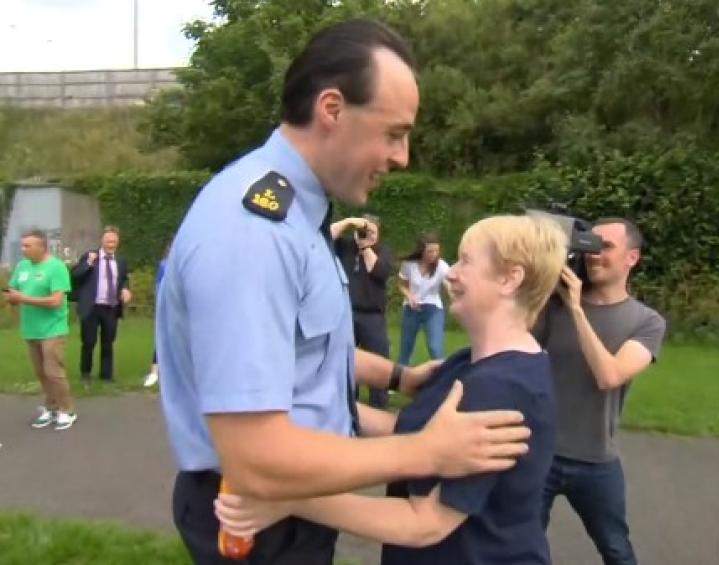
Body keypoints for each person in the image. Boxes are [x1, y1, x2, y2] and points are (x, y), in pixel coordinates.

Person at [156, 19, 530, 565]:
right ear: (332, 109)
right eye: (394, 133)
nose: (402, 157)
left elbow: (302, 357)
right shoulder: (253, 234)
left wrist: (401, 379)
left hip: (291, 507)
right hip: (256, 522)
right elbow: (256, 457)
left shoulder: (300, 216)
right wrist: (422, 452)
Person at [215, 214, 568, 565]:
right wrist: (290, 407)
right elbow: (407, 434)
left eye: (466, 261)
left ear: (510, 279)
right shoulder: (469, 364)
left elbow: (424, 523)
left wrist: (290, 499)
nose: (452, 273)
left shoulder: (501, 389)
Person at [535, 218, 666, 565]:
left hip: (595, 459)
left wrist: (578, 309)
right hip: (541, 452)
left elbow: (610, 376)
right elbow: (516, 347)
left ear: (632, 258)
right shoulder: (555, 307)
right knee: (521, 544)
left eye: (605, 247)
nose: (592, 255)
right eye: (589, 245)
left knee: (615, 548)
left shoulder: (646, 321)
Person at [3, 229, 77, 431]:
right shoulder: (22, 266)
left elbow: (56, 301)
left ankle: (67, 410)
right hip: (31, 329)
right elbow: (12, 292)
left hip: (53, 328)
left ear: (42, 247)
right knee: (41, 373)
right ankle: (51, 407)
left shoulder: (56, 267)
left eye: (28, 245)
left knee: (53, 371)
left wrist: (23, 299)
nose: (23, 249)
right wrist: (8, 298)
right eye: (22, 245)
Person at [332, 214, 394, 408]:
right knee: (345, 360)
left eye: (373, 231)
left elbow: (379, 272)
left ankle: (379, 406)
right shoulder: (346, 246)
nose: (368, 234)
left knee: (379, 361)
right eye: (365, 230)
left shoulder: (384, 251)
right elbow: (323, 236)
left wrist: (366, 247)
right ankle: (348, 404)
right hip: (346, 312)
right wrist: (348, 222)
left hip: (372, 315)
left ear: (379, 233)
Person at [71, 225, 132, 383]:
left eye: (113, 242)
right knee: (89, 342)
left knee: (108, 342)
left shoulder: (121, 261)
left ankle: (106, 376)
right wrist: (89, 264)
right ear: (102, 241)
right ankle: (86, 374)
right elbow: (76, 275)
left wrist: (125, 289)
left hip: (111, 308)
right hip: (92, 307)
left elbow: (124, 279)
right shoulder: (91, 256)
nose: (110, 245)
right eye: (108, 241)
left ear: (118, 242)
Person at [397, 233, 449, 366]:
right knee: (405, 349)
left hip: (433, 309)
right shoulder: (409, 265)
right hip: (412, 309)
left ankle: (443, 379)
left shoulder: (442, 266)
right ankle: (399, 382)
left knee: (435, 347)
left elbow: (449, 286)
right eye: (430, 251)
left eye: (436, 251)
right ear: (422, 251)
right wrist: (409, 296)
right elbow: (402, 285)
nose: (434, 254)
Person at [144, 239, 171, 388]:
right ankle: (154, 371)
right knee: (162, 339)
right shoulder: (164, 265)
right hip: (167, 307)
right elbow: (159, 287)